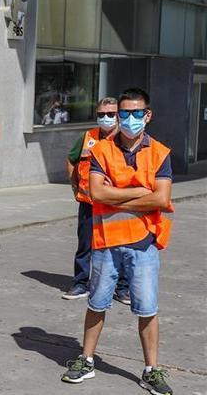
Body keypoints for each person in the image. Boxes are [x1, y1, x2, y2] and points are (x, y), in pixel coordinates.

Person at [62, 88, 174, 395]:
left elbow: (162, 198)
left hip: (144, 245)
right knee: (97, 304)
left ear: (147, 115)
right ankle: (86, 359)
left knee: (147, 309)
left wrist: (118, 198)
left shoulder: (159, 153)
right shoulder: (101, 150)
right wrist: (141, 192)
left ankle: (151, 370)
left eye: (137, 113)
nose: (128, 119)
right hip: (106, 243)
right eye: (123, 113)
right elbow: (97, 193)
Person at [62, 98, 129, 303]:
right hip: (89, 203)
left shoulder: (126, 138)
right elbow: (72, 160)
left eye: (110, 114)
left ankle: (122, 287)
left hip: (115, 205)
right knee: (85, 246)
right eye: (101, 114)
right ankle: (81, 283)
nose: (105, 118)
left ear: (118, 115)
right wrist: (75, 187)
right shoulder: (88, 137)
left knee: (120, 245)